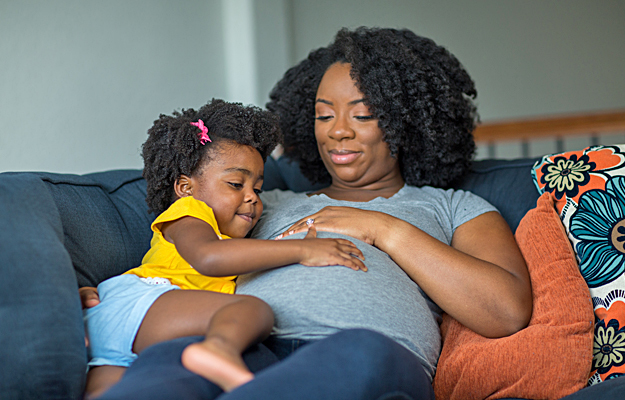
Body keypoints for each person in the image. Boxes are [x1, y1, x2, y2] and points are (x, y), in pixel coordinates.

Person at [82, 27, 533, 400]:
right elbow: (186, 260)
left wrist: (383, 229)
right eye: (323, 115)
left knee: (360, 352)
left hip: (365, 356)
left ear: (405, 119)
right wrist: (113, 296)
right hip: (243, 344)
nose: (338, 131)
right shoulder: (258, 200)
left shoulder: (452, 206)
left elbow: (505, 311)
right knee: (170, 361)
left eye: (363, 115)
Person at [82, 99, 366, 398]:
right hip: (144, 301)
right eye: (235, 184)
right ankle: (220, 348)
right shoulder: (189, 214)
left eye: (257, 188)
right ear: (185, 188)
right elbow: (209, 258)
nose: (253, 198)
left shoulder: (230, 236)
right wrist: (302, 251)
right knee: (250, 309)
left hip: (124, 338)